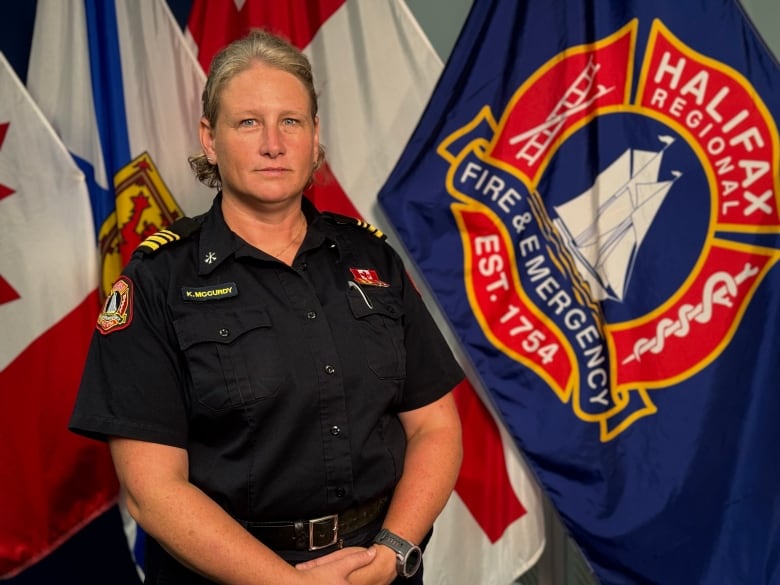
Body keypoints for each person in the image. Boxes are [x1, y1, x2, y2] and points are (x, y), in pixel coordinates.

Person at [69, 29, 464, 585]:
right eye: (248, 122)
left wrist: (394, 551)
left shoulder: (370, 258)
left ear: (314, 136)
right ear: (210, 139)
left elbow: (436, 427)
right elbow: (152, 492)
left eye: (291, 121)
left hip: (376, 568)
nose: (273, 143)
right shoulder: (157, 281)